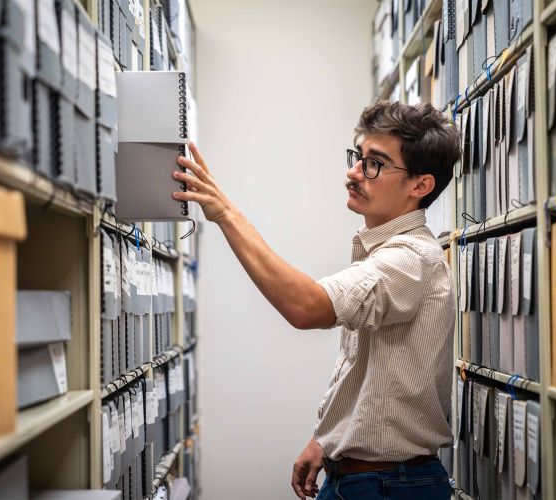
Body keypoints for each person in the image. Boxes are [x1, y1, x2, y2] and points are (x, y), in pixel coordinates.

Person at [172, 101, 461, 499]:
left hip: (389, 486)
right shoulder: (385, 253)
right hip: (368, 478)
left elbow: (306, 307)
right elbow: (371, 371)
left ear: (420, 185)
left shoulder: (409, 260)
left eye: (374, 164)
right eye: (358, 158)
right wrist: (326, 439)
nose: (354, 172)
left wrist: (225, 214)